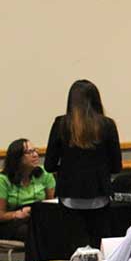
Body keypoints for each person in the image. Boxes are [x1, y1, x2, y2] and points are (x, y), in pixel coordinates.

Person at [44, 80, 122, 245]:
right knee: (100, 246)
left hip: (69, 195)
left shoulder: (61, 124)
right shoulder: (107, 125)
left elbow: (49, 164)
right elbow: (116, 166)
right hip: (99, 194)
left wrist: (66, 170)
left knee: (73, 246)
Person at [0, 139, 55, 241]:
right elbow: (1, 214)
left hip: (39, 217)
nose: (35, 155)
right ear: (17, 157)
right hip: (12, 222)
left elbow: (52, 204)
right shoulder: (3, 179)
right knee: (35, 232)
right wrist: (17, 214)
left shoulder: (44, 173)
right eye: (29, 152)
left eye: (35, 151)